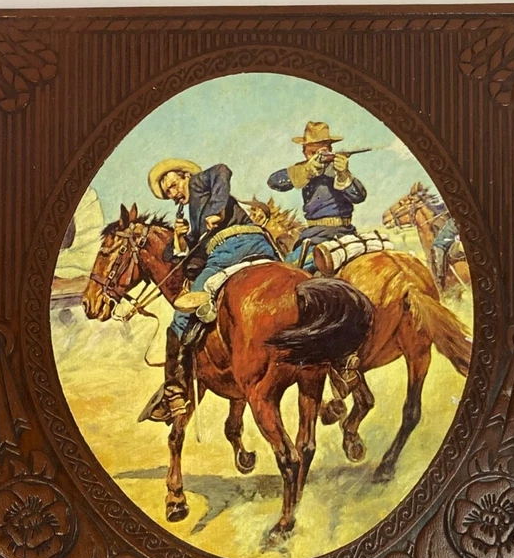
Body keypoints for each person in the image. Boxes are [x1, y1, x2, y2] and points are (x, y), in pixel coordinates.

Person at [142, 158, 277, 423]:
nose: (173, 194)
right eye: (168, 193)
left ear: (185, 176)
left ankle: (174, 389)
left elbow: (222, 170)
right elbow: (180, 254)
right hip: (261, 246)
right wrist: (180, 237)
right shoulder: (193, 216)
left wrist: (216, 211)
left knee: (181, 316)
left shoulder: (199, 182)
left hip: (229, 251)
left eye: (173, 185)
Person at [267, 121, 366, 270]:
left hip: (341, 234)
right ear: (304, 152)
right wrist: (307, 170)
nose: (318, 156)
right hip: (314, 234)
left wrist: (344, 174)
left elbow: (359, 196)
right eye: (312, 153)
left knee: (288, 269)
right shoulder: (302, 170)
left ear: (330, 150)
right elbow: (273, 182)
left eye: (323, 151)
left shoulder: (339, 170)